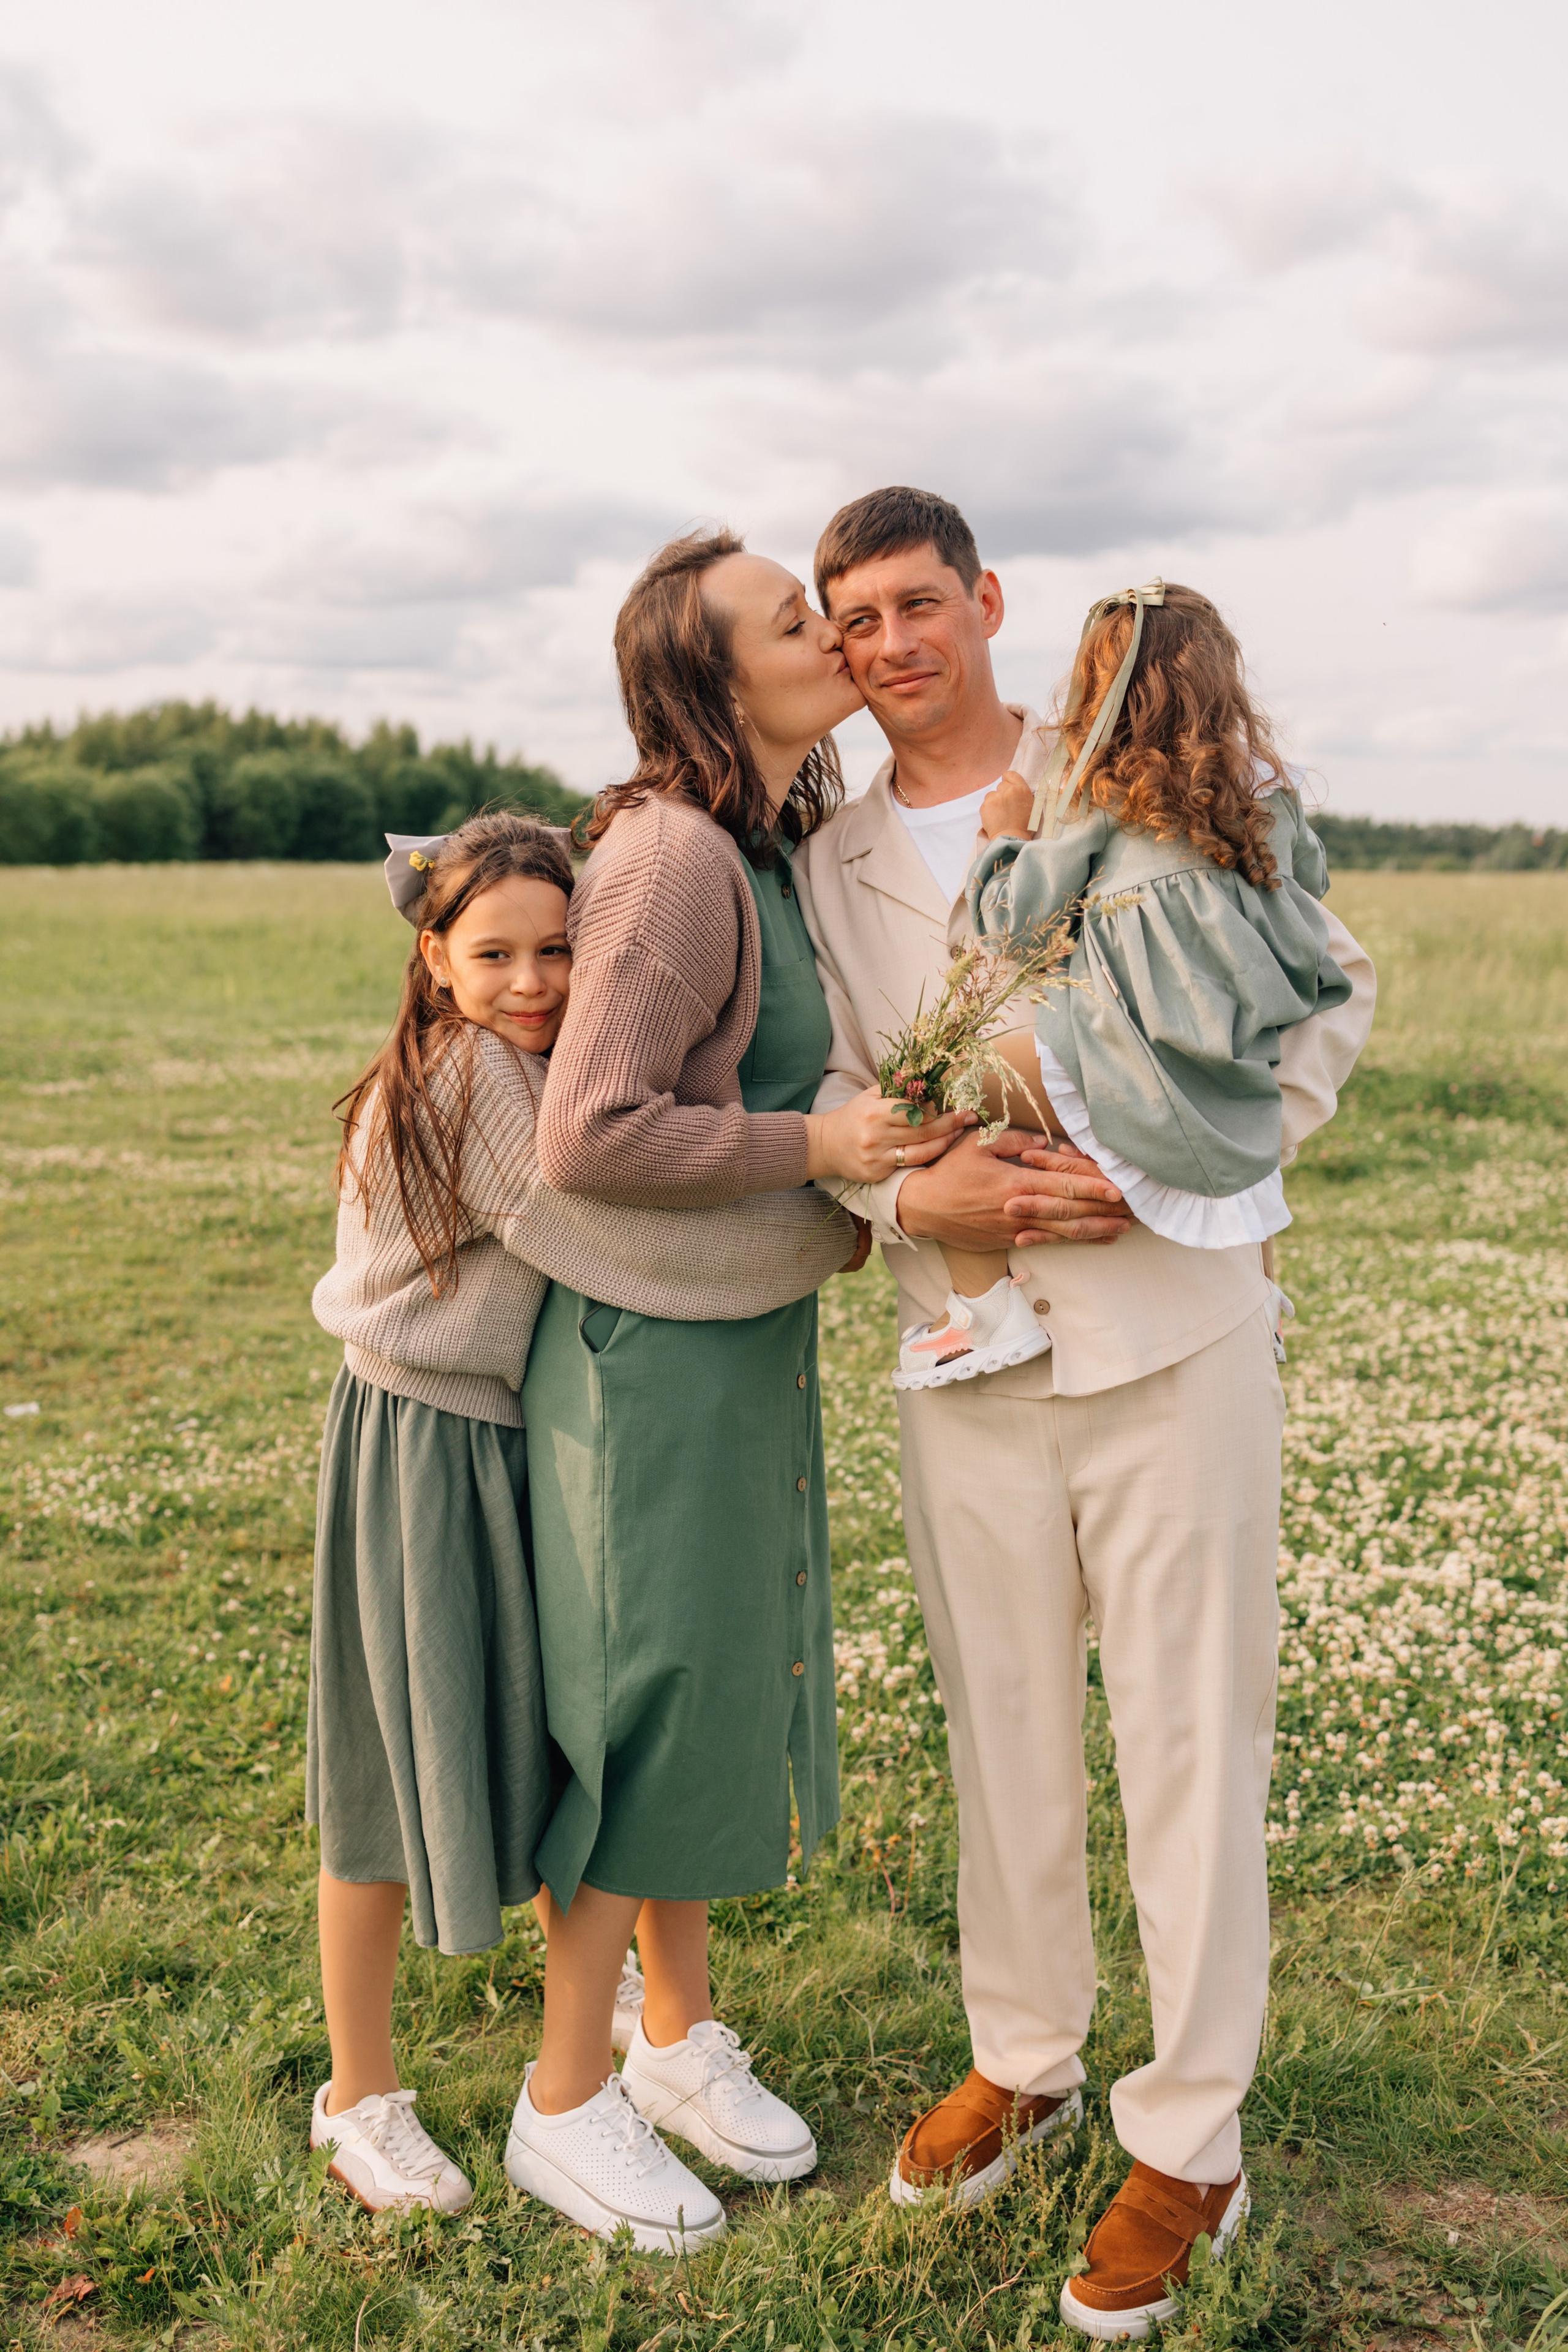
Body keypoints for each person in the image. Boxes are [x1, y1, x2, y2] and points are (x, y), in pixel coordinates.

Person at [791, 488, 1376, 2342]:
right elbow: (823, 1092)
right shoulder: (831, 854)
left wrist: (1190, 1171)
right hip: (964, 1349)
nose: (888, 644)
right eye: (850, 617)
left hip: (1175, 1341)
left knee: (1190, 1744)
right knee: (1005, 1734)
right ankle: (1024, 2057)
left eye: (915, 604)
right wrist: (905, 1199)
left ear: (983, 600)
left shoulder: (1140, 749)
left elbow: (1329, 989)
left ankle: (1192, 2139)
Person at [503, 529, 972, 2252]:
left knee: (703, 1698)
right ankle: (563, 2104)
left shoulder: (760, 844)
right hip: (651, 1368)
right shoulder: (677, 858)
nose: (836, 631)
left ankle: (678, 2035)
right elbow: (593, 1132)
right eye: (797, 621)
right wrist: (820, 1142)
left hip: (734, 1337)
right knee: (645, 1711)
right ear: (714, 682)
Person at [307, 811, 859, 2225]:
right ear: (432, 961)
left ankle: (663, 2028)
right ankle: (358, 2098)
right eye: (494, 953)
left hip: (508, 1436)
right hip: (421, 1444)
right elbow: (625, 1241)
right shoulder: (483, 1085)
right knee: (383, 1778)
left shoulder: (529, 1064)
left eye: (560, 950)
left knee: (573, 1742)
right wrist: (854, 1219)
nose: (537, 981)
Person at [893, 577, 1350, 1392]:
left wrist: (1006, 837)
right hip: (1232, 1042)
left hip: (1136, 1048)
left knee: (948, 1080)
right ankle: (1263, 1297)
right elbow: (1307, 876)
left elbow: (1020, 925)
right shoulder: (1262, 788)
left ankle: (983, 1307)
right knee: (1244, 1147)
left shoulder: (1105, 793)